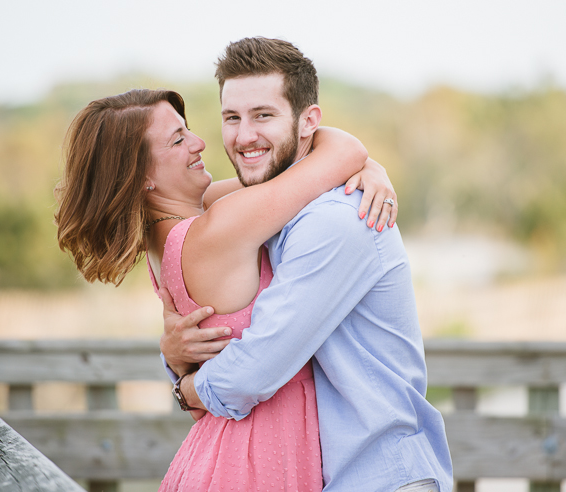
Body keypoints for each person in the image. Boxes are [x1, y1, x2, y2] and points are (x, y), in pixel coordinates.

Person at [54, 87, 397, 491]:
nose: (200, 143)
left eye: (189, 130)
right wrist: (369, 166)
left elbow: (311, 168)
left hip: (231, 448)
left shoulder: (168, 229)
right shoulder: (217, 230)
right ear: (141, 174)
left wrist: (368, 167)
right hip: (256, 457)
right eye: (178, 140)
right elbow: (341, 154)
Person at [161, 37, 454, 492]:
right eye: (231, 118)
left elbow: (258, 365)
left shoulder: (336, 219)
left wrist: (185, 390)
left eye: (263, 115)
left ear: (307, 121)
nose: (243, 136)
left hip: (378, 475)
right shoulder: (274, 206)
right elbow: (186, 207)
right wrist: (174, 355)